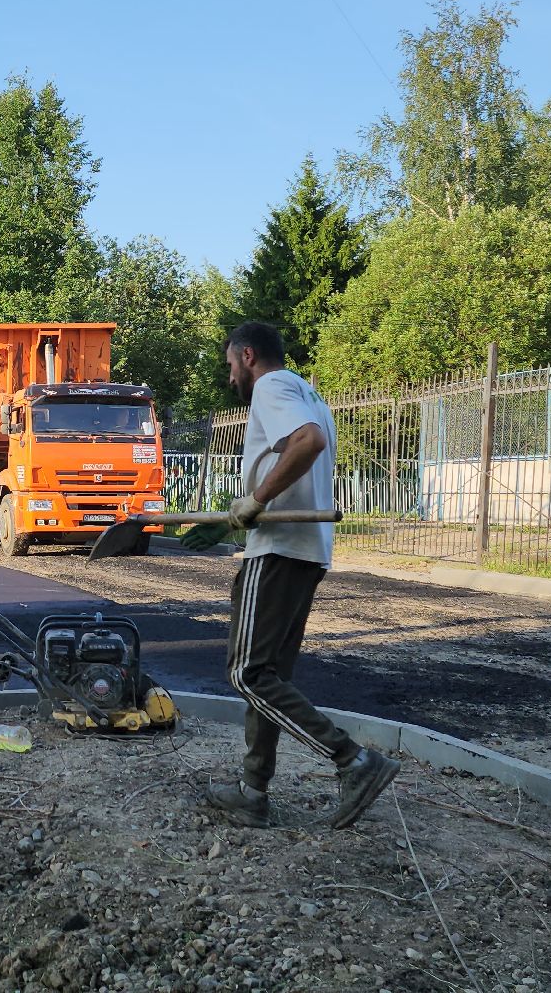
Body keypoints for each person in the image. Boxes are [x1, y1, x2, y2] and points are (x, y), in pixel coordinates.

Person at [182, 321, 400, 829]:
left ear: (249, 355)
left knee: (247, 674)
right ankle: (252, 792)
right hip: (304, 552)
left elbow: (308, 442)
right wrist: (240, 515)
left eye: (231, 364)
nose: (231, 375)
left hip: (278, 551)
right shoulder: (309, 392)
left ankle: (354, 761)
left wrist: (254, 502)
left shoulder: (272, 387)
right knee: (270, 677)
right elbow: (298, 451)